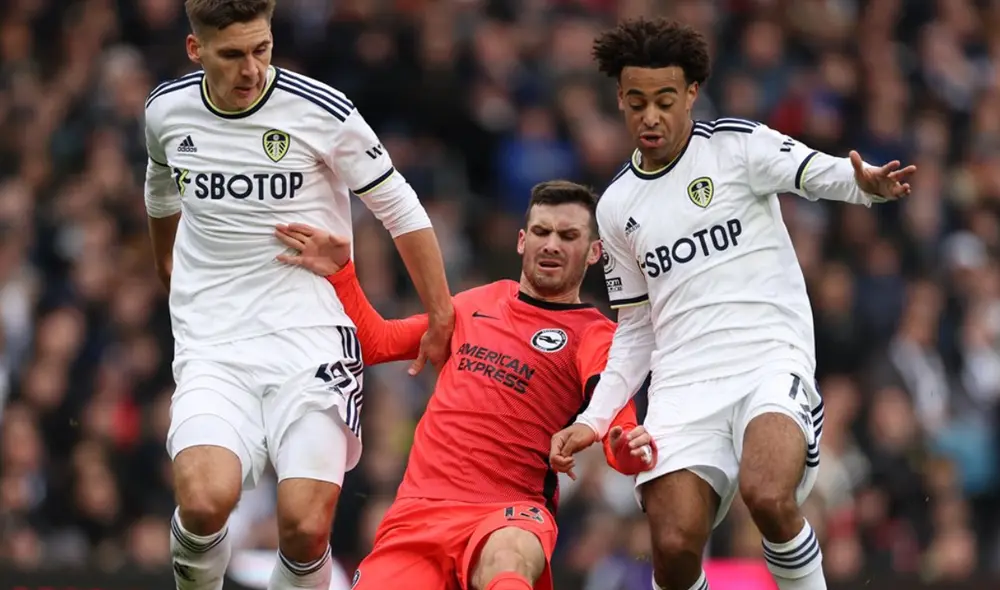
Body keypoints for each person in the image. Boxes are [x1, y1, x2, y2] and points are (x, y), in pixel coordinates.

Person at [548, 18, 916, 590]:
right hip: (684, 385)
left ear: (691, 93)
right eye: (637, 101)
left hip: (769, 359)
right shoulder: (618, 206)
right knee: (672, 548)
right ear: (620, 99)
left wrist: (862, 183)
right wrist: (593, 420)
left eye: (665, 100)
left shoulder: (735, 146)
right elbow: (636, 330)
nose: (651, 116)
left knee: (766, 495)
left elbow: (815, 171)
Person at [143, 1, 454, 589]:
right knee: (206, 501)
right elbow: (161, 189)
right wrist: (169, 268)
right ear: (196, 50)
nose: (251, 69)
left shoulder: (321, 111)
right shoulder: (166, 111)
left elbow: (398, 206)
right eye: (232, 54)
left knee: (306, 527)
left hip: (311, 337)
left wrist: (440, 309)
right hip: (214, 345)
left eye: (261, 49)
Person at [273, 180, 657, 590]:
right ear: (522, 241)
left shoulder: (595, 335)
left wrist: (626, 450)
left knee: (507, 562)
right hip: (419, 512)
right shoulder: (476, 304)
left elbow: (619, 427)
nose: (552, 245)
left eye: (568, 236)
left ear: (595, 252)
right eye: (542, 232)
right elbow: (378, 342)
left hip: (508, 512)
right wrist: (342, 273)